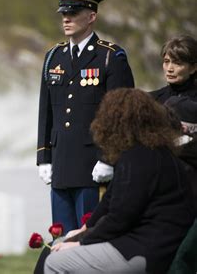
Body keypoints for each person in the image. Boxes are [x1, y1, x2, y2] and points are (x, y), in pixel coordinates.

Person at [43, 88, 195, 274]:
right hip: (146, 244)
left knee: (55, 262)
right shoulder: (149, 152)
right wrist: (83, 230)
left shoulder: (140, 157)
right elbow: (108, 203)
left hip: (145, 250)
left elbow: (120, 217)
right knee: (57, 245)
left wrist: (82, 242)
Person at [36, 0, 134, 233]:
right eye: (63, 13)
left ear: (91, 16)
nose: (66, 18)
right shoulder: (53, 57)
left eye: (73, 12)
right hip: (61, 165)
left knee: (90, 238)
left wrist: (109, 158)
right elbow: (46, 112)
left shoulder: (110, 57)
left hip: (95, 167)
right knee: (62, 241)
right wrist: (43, 157)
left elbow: (121, 115)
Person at [150, 35, 197, 103]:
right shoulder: (152, 100)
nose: (169, 69)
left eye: (177, 63)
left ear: (193, 68)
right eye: (166, 61)